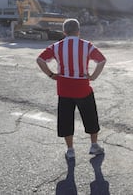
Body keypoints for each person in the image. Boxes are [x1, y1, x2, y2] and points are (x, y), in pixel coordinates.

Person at [36, 18, 106, 160]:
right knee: (90, 116)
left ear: (64, 32)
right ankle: (94, 145)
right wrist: (93, 76)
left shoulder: (57, 46)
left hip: (64, 88)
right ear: (78, 31)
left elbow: (40, 60)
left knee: (65, 118)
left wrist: (51, 75)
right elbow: (102, 60)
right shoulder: (86, 45)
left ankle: (70, 149)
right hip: (82, 88)